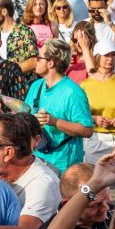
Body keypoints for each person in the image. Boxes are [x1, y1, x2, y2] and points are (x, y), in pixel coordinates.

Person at [24, 38, 94, 174]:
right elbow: (25, 115)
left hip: (65, 167)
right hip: (37, 163)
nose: (35, 61)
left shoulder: (73, 92)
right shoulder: (36, 86)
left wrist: (54, 121)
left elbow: (87, 130)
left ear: (50, 63)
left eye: (39, 58)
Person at [79, 40, 115, 170]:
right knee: (94, 181)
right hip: (96, 140)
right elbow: (79, 115)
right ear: (97, 57)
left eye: (113, 55)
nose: (110, 59)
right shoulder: (85, 85)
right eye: (106, 55)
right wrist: (95, 119)